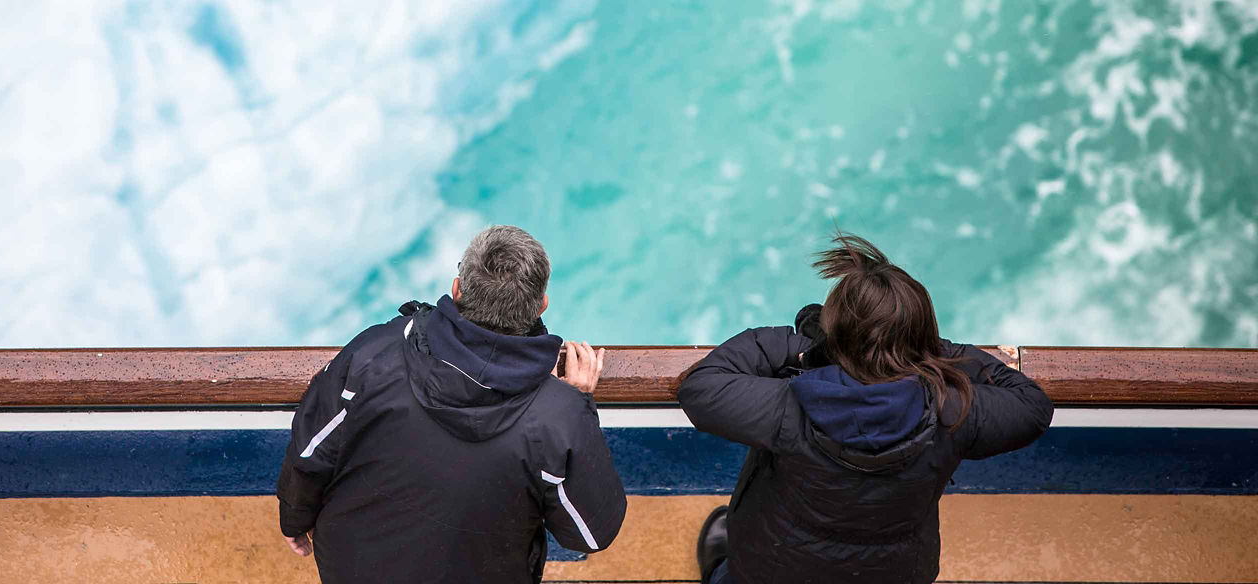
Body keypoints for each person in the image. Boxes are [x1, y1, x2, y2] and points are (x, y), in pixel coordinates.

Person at [678, 232, 1054, 584]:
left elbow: (701, 386)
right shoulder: (952, 409)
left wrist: (801, 345)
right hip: (893, 571)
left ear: (833, 337)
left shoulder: (790, 406)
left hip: (776, 567)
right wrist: (932, 351)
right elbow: (1033, 406)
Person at [276, 225, 627, 584]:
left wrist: (295, 517)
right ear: (541, 305)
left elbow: (311, 450)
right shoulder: (557, 414)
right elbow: (590, 534)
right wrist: (578, 403)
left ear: (457, 289)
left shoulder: (374, 354)